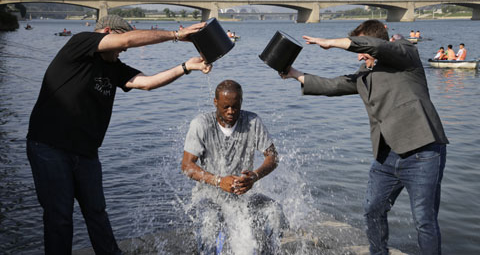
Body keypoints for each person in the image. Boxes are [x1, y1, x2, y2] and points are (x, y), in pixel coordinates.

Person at [26, 14, 212, 255]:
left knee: (96, 213)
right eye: (121, 41)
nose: (123, 52)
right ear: (106, 33)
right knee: (59, 216)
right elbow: (126, 42)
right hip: (50, 146)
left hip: (85, 153)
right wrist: (176, 35)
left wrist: (186, 67)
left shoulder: (114, 68)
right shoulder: (80, 44)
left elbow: (148, 82)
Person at [280, 19, 448, 255]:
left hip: (422, 151)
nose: (359, 57)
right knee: (373, 210)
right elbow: (333, 85)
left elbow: (377, 48)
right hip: (387, 156)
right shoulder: (365, 74)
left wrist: (331, 43)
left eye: (361, 51)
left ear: (370, 44)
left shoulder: (405, 55)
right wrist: (293, 74)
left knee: (424, 220)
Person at [181, 80, 288, 254]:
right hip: (209, 196)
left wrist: (254, 176)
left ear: (241, 102)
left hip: (244, 196)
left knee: (275, 212)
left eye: (235, 106)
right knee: (210, 219)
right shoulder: (201, 124)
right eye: (225, 107)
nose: (231, 111)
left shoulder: (252, 121)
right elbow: (187, 166)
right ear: (215, 102)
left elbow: (272, 157)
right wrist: (218, 181)